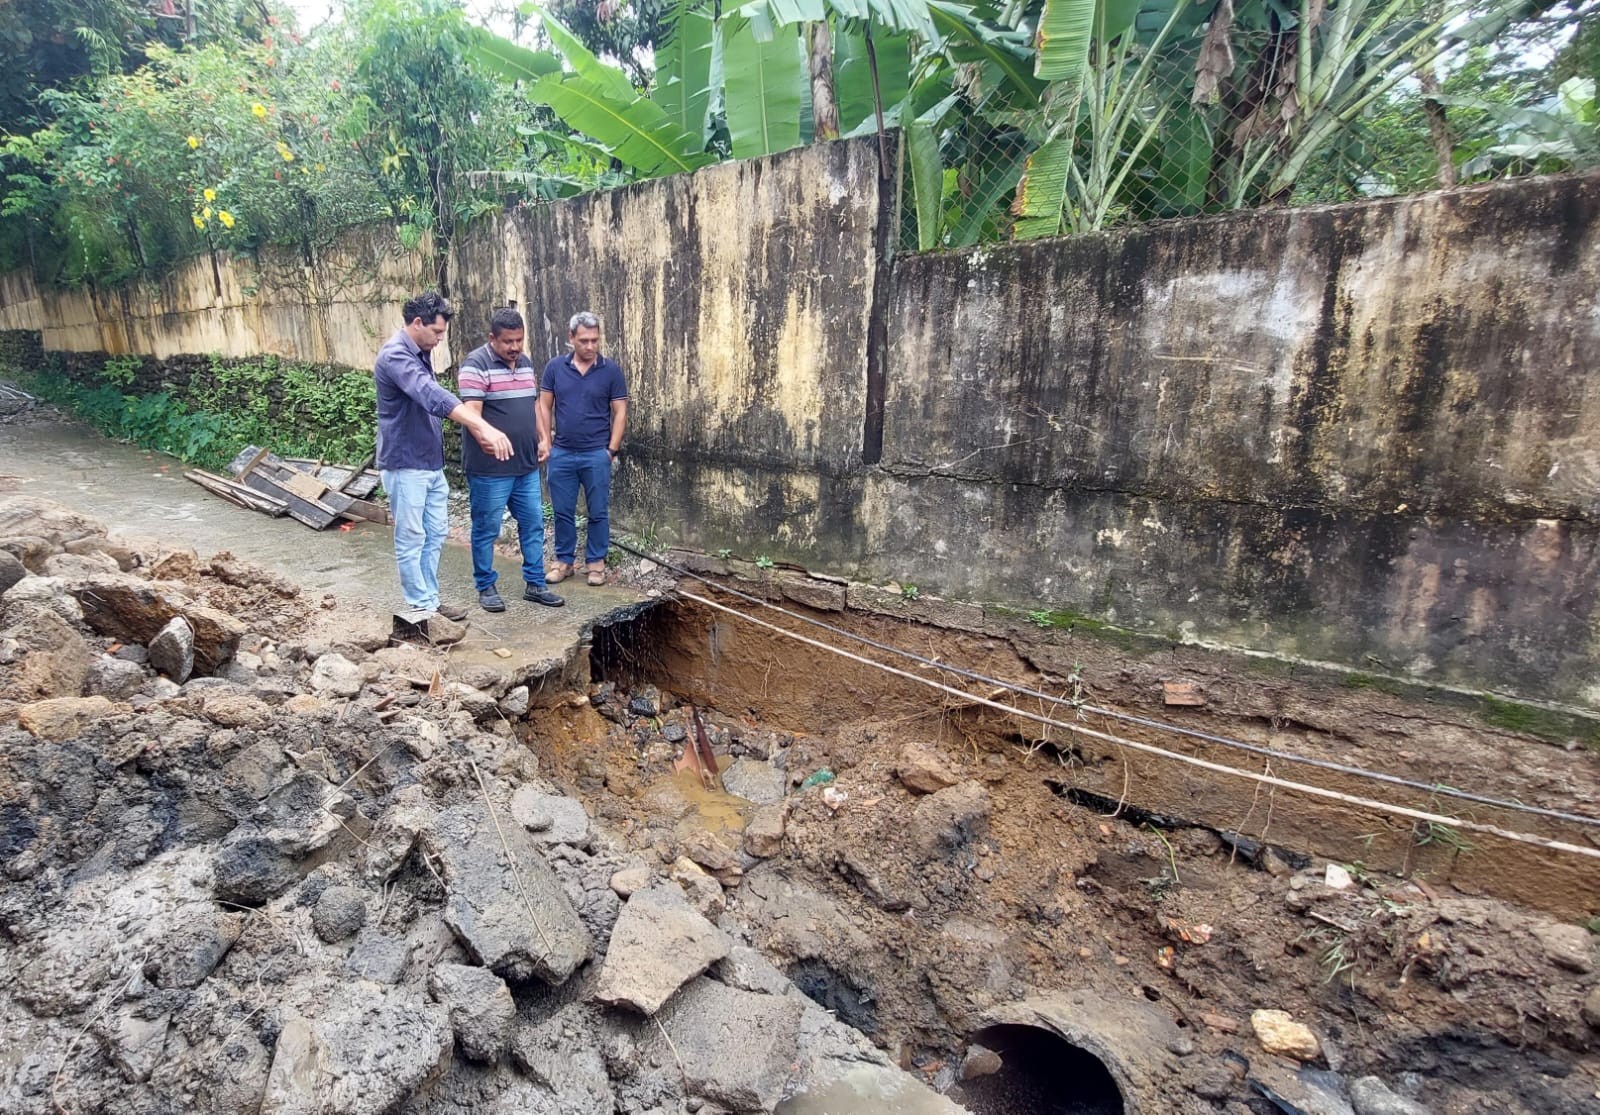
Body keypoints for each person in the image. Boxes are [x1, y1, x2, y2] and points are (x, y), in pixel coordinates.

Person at [375, 290, 513, 620]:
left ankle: (430, 600)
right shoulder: (395, 356)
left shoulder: (420, 352)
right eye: (437, 332)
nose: (439, 340)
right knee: (411, 536)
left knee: (435, 532)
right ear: (418, 323)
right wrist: (482, 425)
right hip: (405, 463)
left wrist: (479, 429)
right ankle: (421, 607)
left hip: (429, 463)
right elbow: (429, 394)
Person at [457, 307, 565, 612]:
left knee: (533, 524)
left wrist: (543, 438)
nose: (515, 347)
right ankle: (486, 586)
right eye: (508, 341)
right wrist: (486, 439)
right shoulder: (475, 364)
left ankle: (535, 583)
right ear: (493, 338)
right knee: (486, 528)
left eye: (519, 340)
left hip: (526, 466)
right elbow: (471, 415)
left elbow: (534, 407)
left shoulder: (525, 362)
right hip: (489, 470)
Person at [537, 311, 629, 587]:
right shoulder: (555, 368)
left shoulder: (610, 371)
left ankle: (596, 563)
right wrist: (547, 442)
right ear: (571, 338)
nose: (590, 347)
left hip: (596, 454)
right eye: (584, 341)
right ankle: (564, 561)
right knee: (562, 511)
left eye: (595, 341)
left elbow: (620, 412)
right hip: (562, 453)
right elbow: (543, 405)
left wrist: (610, 450)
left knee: (598, 511)